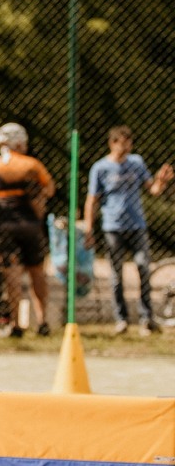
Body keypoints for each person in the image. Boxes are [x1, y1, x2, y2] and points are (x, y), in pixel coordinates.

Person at [83, 125, 173, 336]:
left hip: (137, 225)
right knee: (116, 275)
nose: (126, 148)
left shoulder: (136, 163)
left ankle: (146, 319)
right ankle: (121, 319)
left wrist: (161, 182)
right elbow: (92, 200)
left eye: (129, 143)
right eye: (122, 144)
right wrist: (89, 229)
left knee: (143, 267)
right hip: (112, 227)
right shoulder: (100, 168)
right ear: (112, 143)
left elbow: (153, 190)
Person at [0, 123, 55, 338]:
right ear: (19, 143)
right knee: (37, 272)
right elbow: (49, 189)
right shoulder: (32, 165)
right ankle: (42, 321)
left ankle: (17, 324)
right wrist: (38, 200)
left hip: (5, 225)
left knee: (12, 274)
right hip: (31, 225)